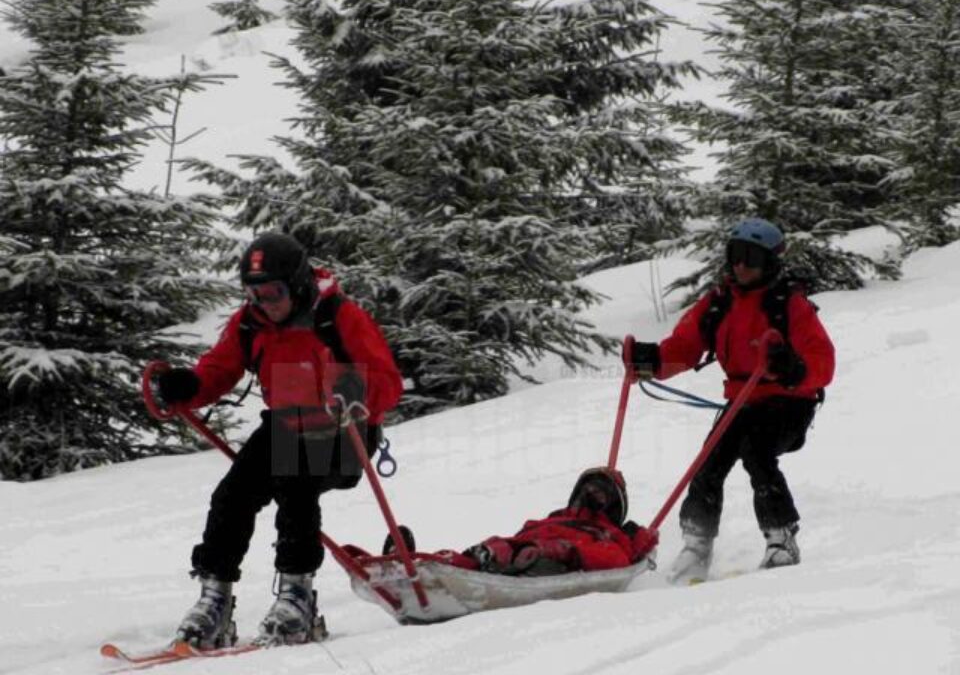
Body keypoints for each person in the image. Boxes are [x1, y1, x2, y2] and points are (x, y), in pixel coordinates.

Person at [155, 231, 403, 647]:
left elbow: (389, 382)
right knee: (232, 496)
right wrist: (190, 387)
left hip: (345, 430)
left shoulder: (338, 317)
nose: (264, 303)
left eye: (273, 292)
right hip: (287, 425)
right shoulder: (251, 323)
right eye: (253, 293)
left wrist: (357, 387)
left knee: (296, 485)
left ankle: (297, 598)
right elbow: (219, 368)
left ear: (298, 283)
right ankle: (214, 601)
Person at [627, 218, 835, 582]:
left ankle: (781, 539)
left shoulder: (789, 304)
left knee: (757, 451)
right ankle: (697, 543)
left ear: (770, 262)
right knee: (709, 461)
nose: (740, 265)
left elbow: (823, 362)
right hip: (743, 400)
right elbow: (685, 347)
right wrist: (653, 361)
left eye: (751, 257)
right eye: (735, 254)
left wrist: (792, 367)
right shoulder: (719, 302)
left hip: (789, 401)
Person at [434, 468, 658, 577]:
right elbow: (524, 534)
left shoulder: (610, 532)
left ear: (613, 502)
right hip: (522, 547)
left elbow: (616, 559)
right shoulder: (558, 517)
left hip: (555, 559)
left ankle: (506, 567)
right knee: (496, 548)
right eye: (588, 490)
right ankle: (436, 565)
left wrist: (565, 550)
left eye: (600, 493)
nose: (591, 495)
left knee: (537, 561)